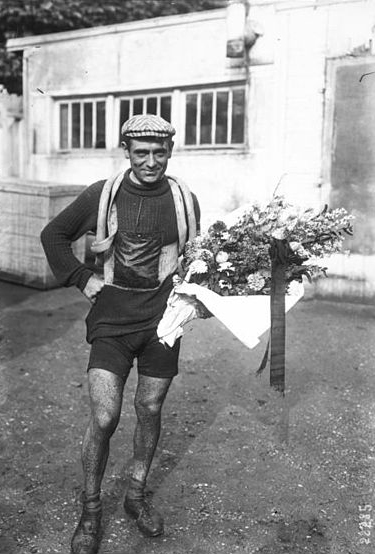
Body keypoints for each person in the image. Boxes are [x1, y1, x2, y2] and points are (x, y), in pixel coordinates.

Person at [40, 114, 200, 554]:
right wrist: (80, 278)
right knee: (106, 415)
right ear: (126, 152)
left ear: (170, 151)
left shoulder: (184, 198)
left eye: (159, 152)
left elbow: (194, 258)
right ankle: (91, 510)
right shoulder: (103, 193)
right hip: (112, 319)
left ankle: (135, 495)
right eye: (141, 153)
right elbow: (53, 235)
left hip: (163, 322)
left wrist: (201, 296)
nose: (151, 161)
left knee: (149, 408)